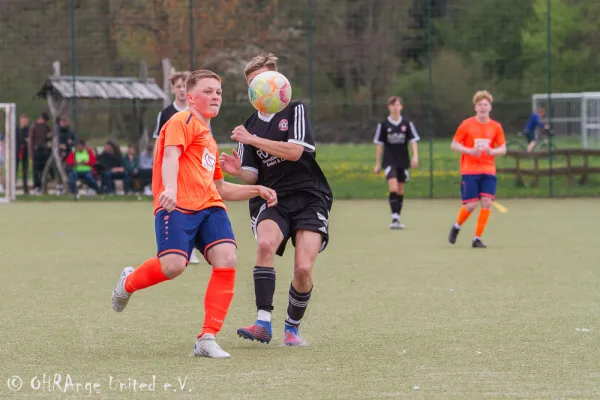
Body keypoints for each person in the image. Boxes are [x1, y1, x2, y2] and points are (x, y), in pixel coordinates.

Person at [111, 69, 278, 359]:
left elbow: (221, 189)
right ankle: (128, 281)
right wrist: (171, 191)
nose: (215, 96)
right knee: (174, 266)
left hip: (210, 207)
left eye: (219, 92)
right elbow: (171, 156)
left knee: (227, 258)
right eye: (208, 91)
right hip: (177, 206)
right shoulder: (181, 121)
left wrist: (258, 190)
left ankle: (207, 337)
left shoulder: (210, 140)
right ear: (190, 97)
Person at [220, 53, 333, 346]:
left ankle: (292, 327)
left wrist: (252, 139)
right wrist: (238, 171)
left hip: (309, 196)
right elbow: (252, 175)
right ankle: (263, 323)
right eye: (252, 83)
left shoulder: (295, 110)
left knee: (303, 268)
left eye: (263, 80)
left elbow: (296, 152)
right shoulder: (249, 124)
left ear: (277, 81)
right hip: (272, 198)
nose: (259, 88)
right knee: (265, 244)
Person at [152, 70, 203, 264]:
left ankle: (192, 248)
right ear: (173, 88)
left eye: (185, 86)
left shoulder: (197, 112)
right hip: (172, 168)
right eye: (179, 86)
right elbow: (159, 143)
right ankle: (177, 247)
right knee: (174, 205)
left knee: (194, 206)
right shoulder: (165, 114)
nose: (182, 90)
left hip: (192, 169)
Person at [447, 90, 506, 248]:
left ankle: (477, 238)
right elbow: (454, 144)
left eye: (485, 104)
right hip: (470, 170)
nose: (483, 107)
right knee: (471, 205)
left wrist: (492, 151)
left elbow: (503, 148)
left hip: (488, 170)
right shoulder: (467, 124)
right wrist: (469, 151)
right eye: (480, 105)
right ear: (475, 108)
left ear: (490, 107)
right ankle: (457, 226)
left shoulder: (495, 126)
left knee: (486, 202)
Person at [373, 96, 419, 229]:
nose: (395, 107)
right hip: (389, 161)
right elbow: (379, 145)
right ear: (389, 107)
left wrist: (415, 156)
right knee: (393, 187)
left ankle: (397, 218)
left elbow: (413, 141)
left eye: (397, 105)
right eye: (393, 105)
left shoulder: (407, 124)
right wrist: (377, 164)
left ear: (401, 107)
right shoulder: (383, 125)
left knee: (400, 190)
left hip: (403, 161)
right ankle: (394, 218)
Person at [28, 112, 52, 195]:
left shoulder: (47, 127)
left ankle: (42, 186)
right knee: (36, 170)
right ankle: (36, 187)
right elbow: (31, 141)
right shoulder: (34, 127)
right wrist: (31, 153)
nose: (44, 122)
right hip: (36, 151)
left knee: (43, 170)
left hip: (44, 151)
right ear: (40, 118)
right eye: (43, 120)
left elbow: (49, 139)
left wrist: (49, 137)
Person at [16, 114, 30, 195]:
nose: (24, 122)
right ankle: (13, 188)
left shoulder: (28, 130)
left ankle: (26, 190)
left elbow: (30, 139)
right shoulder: (16, 129)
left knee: (25, 171)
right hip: (17, 152)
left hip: (25, 152)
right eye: (23, 120)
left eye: (25, 121)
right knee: (15, 169)